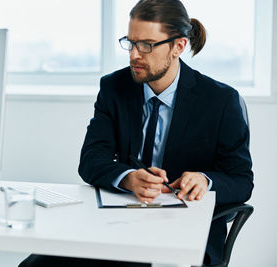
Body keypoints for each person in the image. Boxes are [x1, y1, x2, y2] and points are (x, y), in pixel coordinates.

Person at [19, 0, 253, 266]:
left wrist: (205, 180)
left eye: (147, 45)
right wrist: (128, 178)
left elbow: (241, 180)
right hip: (119, 223)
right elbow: (91, 159)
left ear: (178, 46)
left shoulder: (220, 101)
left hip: (185, 233)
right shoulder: (114, 87)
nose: (134, 55)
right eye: (130, 43)